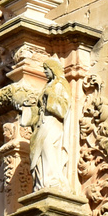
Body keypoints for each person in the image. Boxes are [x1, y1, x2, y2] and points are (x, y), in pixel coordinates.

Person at [28, 60, 71, 192]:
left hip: (53, 121)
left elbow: (63, 107)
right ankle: (41, 183)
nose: (45, 72)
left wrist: (49, 95)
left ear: (53, 69)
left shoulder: (61, 84)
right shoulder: (48, 85)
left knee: (48, 146)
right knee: (39, 150)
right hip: (43, 122)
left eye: (46, 69)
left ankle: (52, 179)